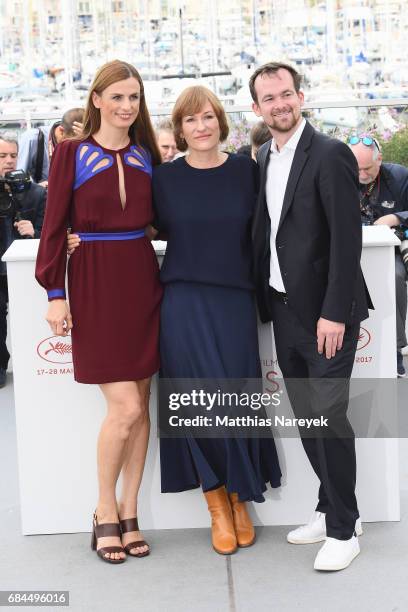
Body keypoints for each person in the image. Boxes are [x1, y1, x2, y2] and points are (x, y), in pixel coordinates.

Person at [35, 60, 162, 564]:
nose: (127, 106)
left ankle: (130, 512)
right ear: (97, 100)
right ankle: (103, 508)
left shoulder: (145, 153)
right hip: (92, 282)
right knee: (125, 407)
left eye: (134, 97)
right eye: (117, 97)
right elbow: (52, 225)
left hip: (142, 281)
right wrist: (54, 292)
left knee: (143, 404)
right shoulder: (71, 153)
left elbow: (160, 216)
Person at [250, 62, 372, 571]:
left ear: (301, 97)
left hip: (326, 316)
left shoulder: (329, 154)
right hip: (283, 309)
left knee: (328, 418)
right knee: (306, 419)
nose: (279, 105)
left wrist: (334, 312)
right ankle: (331, 507)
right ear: (256, 108)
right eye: (269, 99)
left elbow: (348, 241)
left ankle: (346, 529)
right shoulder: (261, 157)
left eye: (286, 95)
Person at [152, 86, 282, 555]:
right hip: (183, 300)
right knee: (194, 398)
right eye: (190, 120)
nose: (201, 127)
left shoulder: (247, 171)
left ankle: (240, 496)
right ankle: (216, 505)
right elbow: (138, 227)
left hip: (234, 301)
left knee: (236, 396)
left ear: (220, 122)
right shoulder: (163, 179)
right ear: (180, 128)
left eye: (207, 117)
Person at [348, 135, 408, 377]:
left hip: (389, 250)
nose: (361, 174)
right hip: (348, 249)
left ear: (380, 159)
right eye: (357, 168)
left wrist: (397, 218)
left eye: (367, 168)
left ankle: (394, 350)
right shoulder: (339, 175)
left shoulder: (400, 177)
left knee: (394, 277)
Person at [0, 132, 46, 389]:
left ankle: (34, 366)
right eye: (2, 156)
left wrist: (34, 232)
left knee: (31, 318)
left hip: (26, 268)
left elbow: (49, 235)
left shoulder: (35, 193)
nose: (9, 161)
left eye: (13, 155)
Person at [18, 108, 84, 187]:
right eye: (72, 143)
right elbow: (18, 177)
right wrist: (36, 187)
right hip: (39, 194)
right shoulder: (31, 138)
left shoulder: (84, 143)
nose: (73, 148)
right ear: (61, 131)